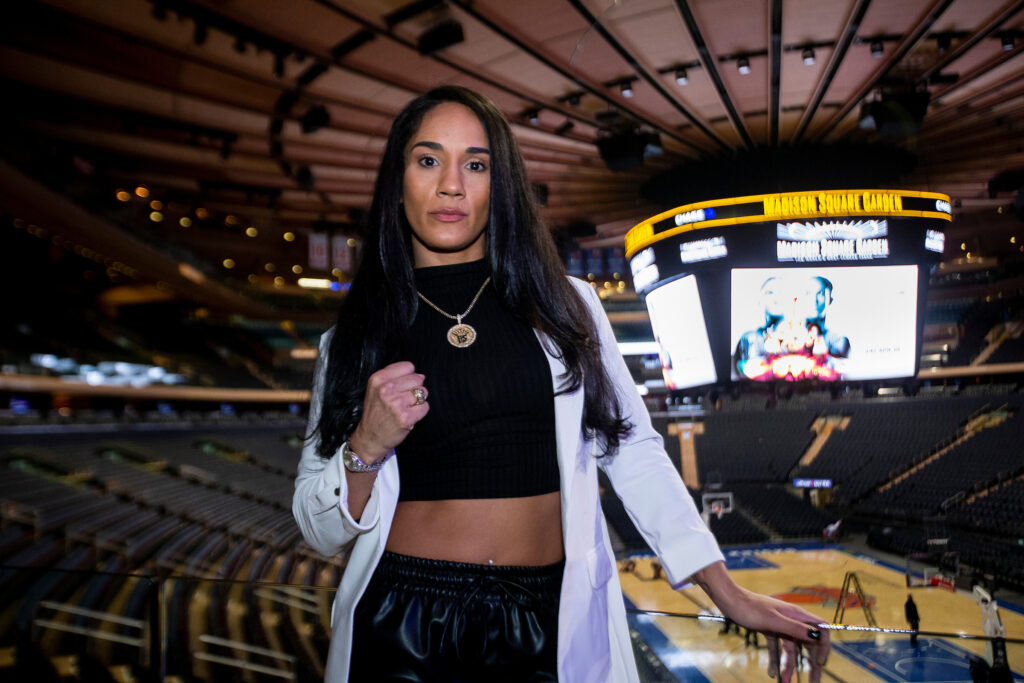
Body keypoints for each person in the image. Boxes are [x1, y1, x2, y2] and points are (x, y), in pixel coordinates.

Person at [292, 85, 831, 682]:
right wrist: (364, 448)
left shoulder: (565, 304)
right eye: (428, 160)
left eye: (476, 164)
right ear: (398, 180)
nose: (452, 184)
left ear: (502, 185)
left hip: (547, 617)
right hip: (404, 620)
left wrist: (725, 590)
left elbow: (634, 451)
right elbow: (318, 530)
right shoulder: (352, 339)